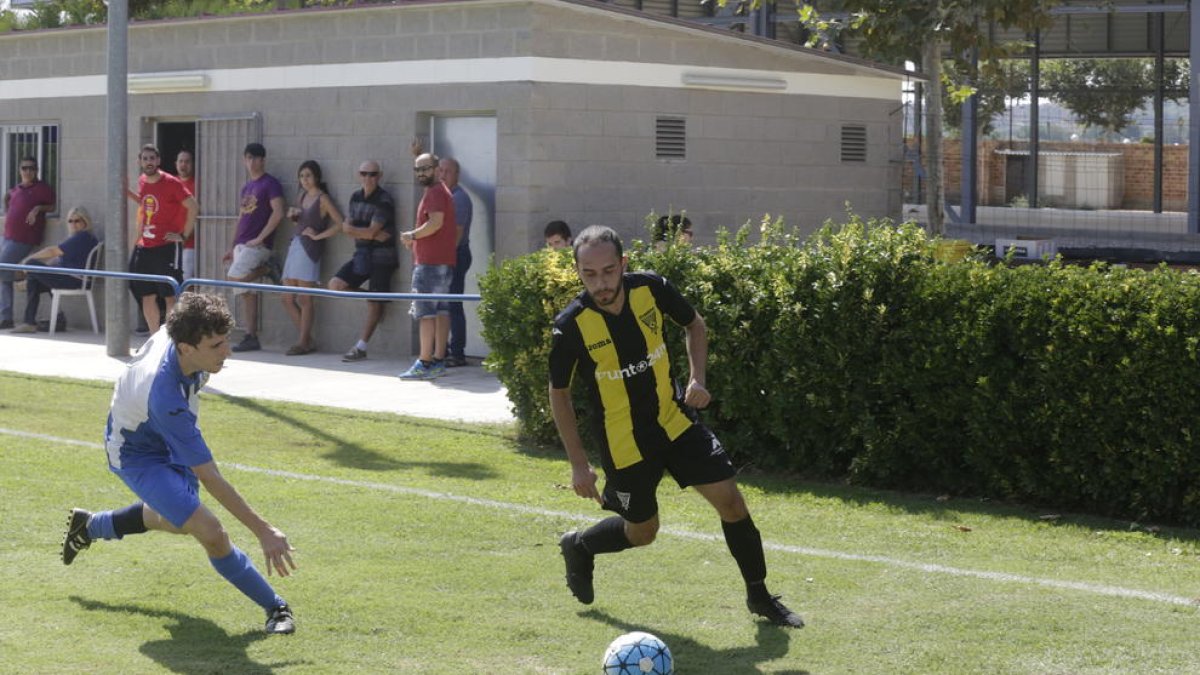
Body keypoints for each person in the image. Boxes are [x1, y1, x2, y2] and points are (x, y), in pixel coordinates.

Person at [549, 225, 804, 628]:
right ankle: (580, 546)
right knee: (644, 531)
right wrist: (579, 464)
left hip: (675, 421)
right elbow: (558, 394)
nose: (601, 283)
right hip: (625, 444)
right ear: (578, 272)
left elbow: (695, 324)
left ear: (624, 264)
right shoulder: (571, 326)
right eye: (590, 274)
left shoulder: (651, 289)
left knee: (732, 504)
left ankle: (759, 596)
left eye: (609, 271)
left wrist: (696, 378)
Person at [60, 292, 297, 635]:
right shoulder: (165, 396)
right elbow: (210, 475)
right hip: (136, 453)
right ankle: (275, 606)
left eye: (225, 341)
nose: (226, 352)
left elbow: (186, 303)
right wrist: (263, 530)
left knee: (176, 521)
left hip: (162, 431)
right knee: (211, 532)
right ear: (186, 348)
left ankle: (91, 526)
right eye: (216, 346)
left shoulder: (183, 338)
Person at [330, 160, 398, 363]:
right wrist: (366, 233)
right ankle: (377, 299)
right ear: (358, 175)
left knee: (374, 303)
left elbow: (366, 230)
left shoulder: (385, 199)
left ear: (380, 176)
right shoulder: (355, 196)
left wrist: (361, 232)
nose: (368, 178)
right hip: (361, 254)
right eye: (364, 174)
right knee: (335, 285)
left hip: (382, 257)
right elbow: (352, 228)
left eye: (373, 174)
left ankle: (361, 347)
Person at [397, 153, 457, 380]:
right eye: (417, 169)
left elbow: (435, 222)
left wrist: (412, 235)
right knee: (442, 311)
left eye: (426, 168)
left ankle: (424, 361)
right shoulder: (440, 191)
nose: (421, 173)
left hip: (430, 264)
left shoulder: (434, 193)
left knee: (426, 314)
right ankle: (439, 361)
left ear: (437, 169)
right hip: (443, 262)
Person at [127, 144, 198, 332]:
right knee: (147, 295)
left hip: (166, 246)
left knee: (169, 295)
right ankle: (153, 338)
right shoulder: (142, 180)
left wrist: (183, 235)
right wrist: (125, 191)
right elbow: (145, 202)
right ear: (140, 161)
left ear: (158, 161)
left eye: (152, 158)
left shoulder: (172, 182)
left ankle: (170, 339)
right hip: (145, 245)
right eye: (145, 159)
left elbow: (193, 206)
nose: (149, 162)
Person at [225, 142, 285, 353]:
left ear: (262, 160)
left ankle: (267, 268)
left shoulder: (271, 184)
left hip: (258, 245)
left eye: (254, 158)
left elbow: (278, 213)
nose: (251, 162)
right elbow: (241, 217)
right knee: (246, 292)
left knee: (233, 277)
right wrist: (232, 245)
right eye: (248, 158)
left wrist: (261, 238)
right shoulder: (247, 186)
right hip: (242, 244)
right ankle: (251, 336)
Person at [280, 160, 342, 356]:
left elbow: (339, 223)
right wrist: (293, 215)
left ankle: (303, 342)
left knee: (305, 298)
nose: (304, 180)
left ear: (316, 177)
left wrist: (318, 235)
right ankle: (307, 340)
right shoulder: (302, 195)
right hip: (295, 245)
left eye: (308, 176)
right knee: (287, 297)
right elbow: (300, 220)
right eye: (301, 176)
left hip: (310, 249)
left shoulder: (323, 198)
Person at [10, 206, 99, 334]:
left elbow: (53, 251)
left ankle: (31, 322)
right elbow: (58, 259)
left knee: (32, 264)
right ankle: (43, 320)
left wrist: (27, 262)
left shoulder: (82, 237)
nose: (73, 224)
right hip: (70, 278)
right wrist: (37, 272)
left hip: (75, 280)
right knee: (33, 280)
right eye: (70, 221)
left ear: (85, 221)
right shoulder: (80, 238)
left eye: (77, 220)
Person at [1, 155, 56, 329]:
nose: (28, 171)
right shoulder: (15, 190)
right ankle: (6, 316)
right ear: (20, 170)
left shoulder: (42, 189)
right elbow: (7, 202)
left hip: (24, 239)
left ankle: (5, 315)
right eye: (24, 168)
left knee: (2, 269)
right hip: (8, 237)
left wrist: (38, 208)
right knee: (4, 274)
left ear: (36, 170)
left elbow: (52, 206)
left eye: (31, 168)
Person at [439, 157, 473, 368]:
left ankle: (457, 353)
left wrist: (444, 259)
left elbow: (457, 234)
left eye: (447, 171)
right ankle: (442, 350)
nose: (442, 174)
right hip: (446, 256)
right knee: (444, 305)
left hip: (456, 256)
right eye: (440, 170)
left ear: (456, 174)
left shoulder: (459, 198)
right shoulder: (443, 195)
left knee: (453, 304)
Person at [176, 150, 198, 280]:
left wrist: (184, 237)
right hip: (170, 244)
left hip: (190, 244)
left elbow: (198, 215)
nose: (184, 164)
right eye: (181, 161)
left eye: (187, 161)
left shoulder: (198, 185)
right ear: (176, 164)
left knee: (186, 282)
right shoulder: (170, 184)